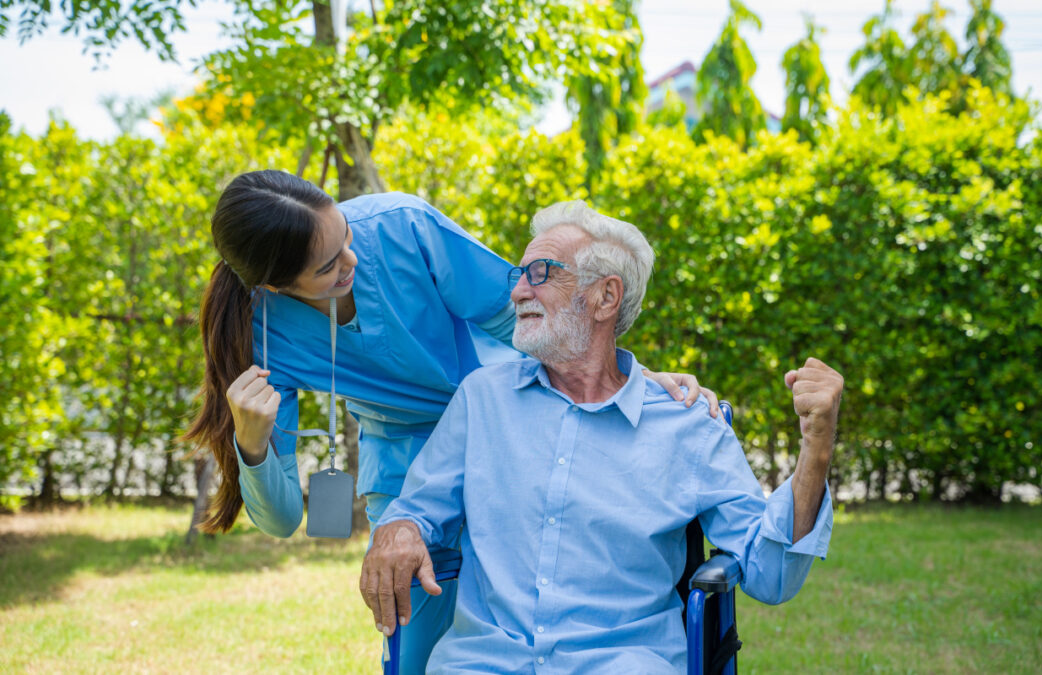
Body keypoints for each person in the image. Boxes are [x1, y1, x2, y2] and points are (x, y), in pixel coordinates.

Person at [183, 171, 719, 673]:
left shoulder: (400, 227)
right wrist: (251, 445)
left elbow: (524, 310)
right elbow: (278, 521)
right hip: (403, 466)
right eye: (328, 267)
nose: (352, 259)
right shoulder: (259, 334)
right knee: (418, 652)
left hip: (513, 433)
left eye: (345, 236)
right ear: (277, 287)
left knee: (547, 613)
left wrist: (629, 376)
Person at [360, 200, 844, 673]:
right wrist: (398, 529)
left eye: (541, 273)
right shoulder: (481, 399)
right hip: (483, 662)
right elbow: (418, 509)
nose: (517, 293)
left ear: (605, 298)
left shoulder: (687, 425)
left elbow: (768, 570)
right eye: (519, 274)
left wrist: (816, 448)